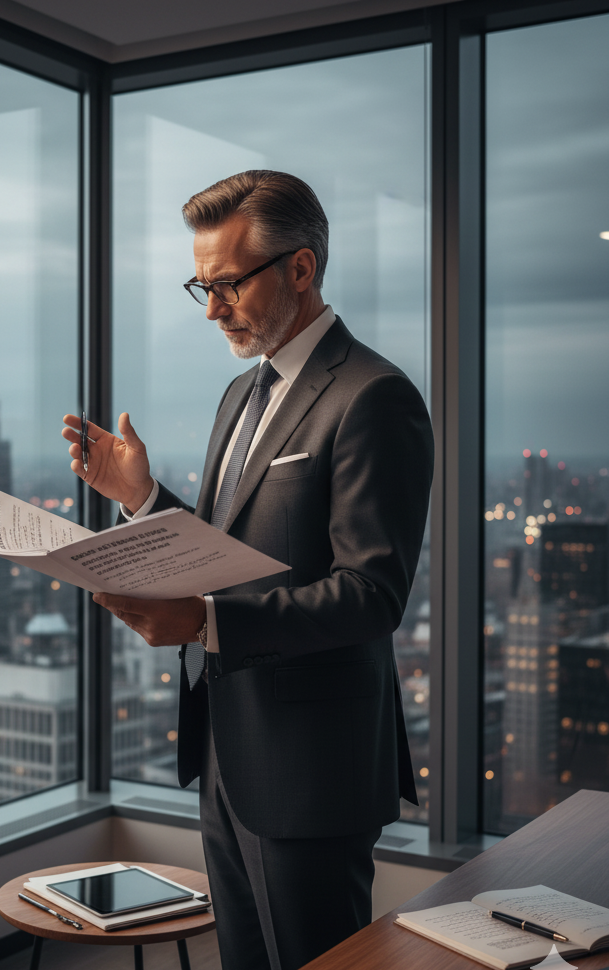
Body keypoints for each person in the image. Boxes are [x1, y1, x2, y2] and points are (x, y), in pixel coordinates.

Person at [62, 170, 433, 970]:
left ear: (300, 269)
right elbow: (220, 552)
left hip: (311, 764)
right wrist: (141, 498)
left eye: (227, 283)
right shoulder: (239, 395)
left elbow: (372, 594)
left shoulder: (374, 396)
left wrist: (204, 622)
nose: (210, 308)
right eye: (202, 284)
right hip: (228, 746)